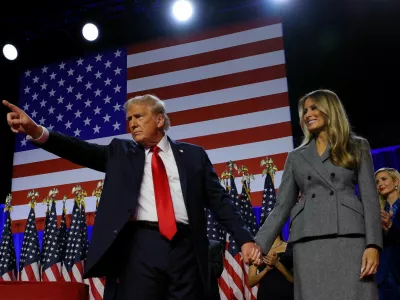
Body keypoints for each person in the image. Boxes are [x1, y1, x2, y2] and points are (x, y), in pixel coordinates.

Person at [3, 95, 261, 300]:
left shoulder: (193, 155)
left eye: (139, 116)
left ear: (160, 120)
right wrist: (36, 130)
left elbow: (220, 201)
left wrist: (245, 239)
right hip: (140, 247)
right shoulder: (121, 152)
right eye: (129, 119)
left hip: (187, 248)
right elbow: (78, 149)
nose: (132, 123)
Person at [254, 89, 382, 300]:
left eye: (313, 108)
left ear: (329, 109)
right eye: (304, 111)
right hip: (308, 240)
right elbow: (282, 206)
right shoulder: (295, 157)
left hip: (350, 238)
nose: (307, 114)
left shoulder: (357, 146)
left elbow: (370, 200)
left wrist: (373, 245)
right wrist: (258, 245)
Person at [375, 168, 400, 300]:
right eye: (377, 182)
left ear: (395, 181)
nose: (380, 184)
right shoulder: (377, 212)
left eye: (384, 179)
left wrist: (391, 225)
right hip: (383, 275)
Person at [248, 233, 294, 300]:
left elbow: (294, 279)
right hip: (265, 295)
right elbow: (250, 282)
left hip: (287, 295)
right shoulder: (258, 250)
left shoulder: (291, 248)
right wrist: (266, 270)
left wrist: (277, 264)